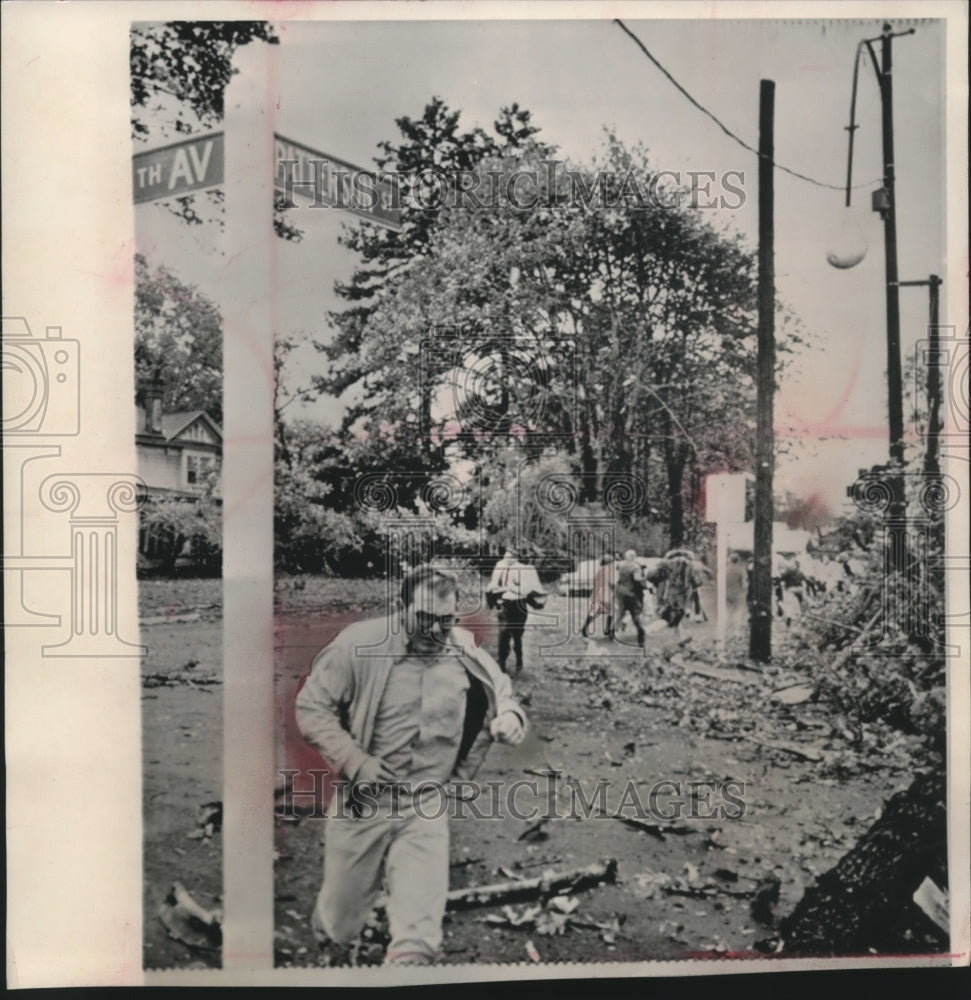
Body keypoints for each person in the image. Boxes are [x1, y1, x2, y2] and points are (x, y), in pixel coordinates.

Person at [296, 565, 528, 966]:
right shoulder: (359, 645)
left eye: (446, 620)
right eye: (424, 618)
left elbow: (502, 692)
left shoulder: (464, 654)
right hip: (364, 803)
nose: (435, 631)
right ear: (401, 607)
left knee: (417, 938)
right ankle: (333, 937)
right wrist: (354, 760)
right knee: (341, 920)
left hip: (426, 805)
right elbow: (311, 707)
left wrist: (510, 718)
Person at [490, 547, 545, 673]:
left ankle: (519, 661)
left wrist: (510, 587)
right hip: (505, 604)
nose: (506, 560)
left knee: (517, 635)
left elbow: (526, 590)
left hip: (519, 605)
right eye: (505, 557)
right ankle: (502, 663)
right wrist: (499, 593)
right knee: (503, 634)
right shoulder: (500, 568)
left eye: (509, 557)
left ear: (516, 557)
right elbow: (493, 587)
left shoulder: (524, 570)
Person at [646, 548, 704, 639]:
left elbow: (650, 576)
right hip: (683, 596)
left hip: (667, 594)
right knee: (670, 618)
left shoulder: (664, 563)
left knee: (675, 617)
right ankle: (647, 630)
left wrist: (659, 581)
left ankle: (681, 639)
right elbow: (698, 582)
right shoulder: (691, 565)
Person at [613, 549, 646, 647]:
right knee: (635, 614)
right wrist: (644, 579)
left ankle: (613, 632)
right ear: (633, 556)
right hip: (631, 593)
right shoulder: (635, 566)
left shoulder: (620, 565)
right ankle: (641, 636)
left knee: (620, 612)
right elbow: (637, 579)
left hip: (620, 591)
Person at [581, 554, 615, 639]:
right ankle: (608, 630)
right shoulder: (607, 569)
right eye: (612, 562)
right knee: (614, 611)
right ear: (609, 562)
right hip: (605, 594)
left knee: (596, 612)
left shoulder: (600, 569)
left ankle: (584, 628)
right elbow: (611, 582)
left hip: (597, 593)